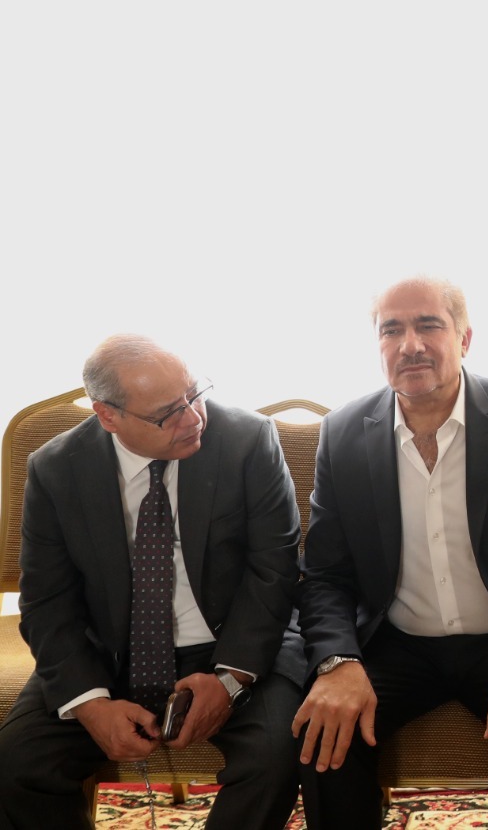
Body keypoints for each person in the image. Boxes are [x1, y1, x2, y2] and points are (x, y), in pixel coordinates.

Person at [292, 276, 488, 829]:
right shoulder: (343, 434)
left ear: (465, 339)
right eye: (391, 330)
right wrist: (337, 662)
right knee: (323, 734)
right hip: (398, 642)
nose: (410, 345)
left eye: (428, 326)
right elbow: (325, 574)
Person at [0, 335, 303, 830]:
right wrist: (91, 705)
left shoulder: (248, 441)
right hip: (108, 652)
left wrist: (230, 680)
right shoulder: (57, 469)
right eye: (167, 413)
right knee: (17, 766)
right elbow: (47, 601)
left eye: (194, 394)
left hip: (231, 643)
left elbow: (274, 570)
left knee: (275, 758)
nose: (193, 418)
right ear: (108, 415)